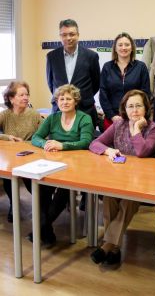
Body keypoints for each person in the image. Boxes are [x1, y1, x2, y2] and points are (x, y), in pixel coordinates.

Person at [89, 89, 155, 265]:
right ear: (124, 109)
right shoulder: (119, 124)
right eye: (130, 106)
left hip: (142, 182)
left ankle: (107, 246)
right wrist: (108, 150)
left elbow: (143, 152)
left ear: (146, 108)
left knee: (129, 200)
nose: (134, 110)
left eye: (139, 106)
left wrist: (137, 130)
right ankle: (113, 247)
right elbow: (95, 143)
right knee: (109, 197)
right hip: (118, 178)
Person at [30, 84, 94, 245]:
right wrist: (44, 144)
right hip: (52, 163)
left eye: (69, 99)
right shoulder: (52, 118)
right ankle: (46, 230)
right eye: (61, 99)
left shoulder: (84, 118)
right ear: (57, 101)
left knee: (64, 190)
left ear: (76, 101)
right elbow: (36, 137)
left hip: (77, 166)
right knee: (42, 187)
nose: (65, 102)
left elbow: (86, 142)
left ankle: (42, 226)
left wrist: (62, 145)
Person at [0, 81, 42, 222]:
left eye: (27, 94)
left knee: (30, 180)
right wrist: (7, 137)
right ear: (11, 98)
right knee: (8, 177)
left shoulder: (34, 115)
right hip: (10, 158)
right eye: (21, 95)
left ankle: (41, 208)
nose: (25, 97)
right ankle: (13, 203)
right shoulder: (5, 115)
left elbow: (45, 135)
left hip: (31, 156)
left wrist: (30, 143)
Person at [46, 19, 100, 128]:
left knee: (85, 143)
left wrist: (81, 96)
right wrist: (63, 97)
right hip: (60, 110)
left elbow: (96, 83)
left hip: (85, 109)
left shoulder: (91, 56)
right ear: (60, 36)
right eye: (64, 35)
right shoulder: (52, 56)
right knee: (58, 143)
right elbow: (51, 83)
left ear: (78, 35)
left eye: (72, 34)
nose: (68, 38)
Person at [100, 32, 150, 131]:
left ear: (132, 48)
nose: (124, 48)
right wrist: (112, 116)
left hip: (135, 117)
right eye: (120, 45)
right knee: (110, 145)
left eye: (127, 45)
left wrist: (138, 115)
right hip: (112, 119)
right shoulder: (107, 67)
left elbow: (146, 94)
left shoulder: (141, 67)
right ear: (115, 48)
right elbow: (103, 94)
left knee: (134, 145)